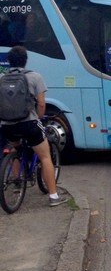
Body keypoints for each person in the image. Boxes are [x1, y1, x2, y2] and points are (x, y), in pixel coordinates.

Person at [0, 46, 67, 206]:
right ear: (25, 60)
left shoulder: (2, 78)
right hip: (29, 123)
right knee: (45, 156)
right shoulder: (34, 77)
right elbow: (42, 103)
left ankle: (17, 181)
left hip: (7, 125)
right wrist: (40, 117)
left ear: (9, 62)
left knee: (15, 148)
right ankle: (53, 196)